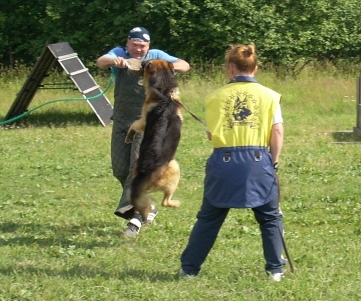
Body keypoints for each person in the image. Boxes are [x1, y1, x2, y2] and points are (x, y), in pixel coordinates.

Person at [179, 43, 286, 281]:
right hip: (259, 162)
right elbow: (277, 132)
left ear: (230, 68)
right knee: (270, 218)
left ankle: (189, 270)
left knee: (209, 218)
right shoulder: (270, 96)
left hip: (224, 162)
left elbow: (211, 134)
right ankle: (275, 270)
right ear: (255, 68)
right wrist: (274, 162)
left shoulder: (214, 98)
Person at [96, 27, 190, 237]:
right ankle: (147, 206)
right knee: (120, 170)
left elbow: (185, 65)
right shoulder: (119, 53)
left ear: (148, 46)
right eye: (135, 45)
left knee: (135, 169)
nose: (139, 49)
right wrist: (114, 62)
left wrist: (165, 66)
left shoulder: (156, 57)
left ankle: (135, 219)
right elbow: (101, 61)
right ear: (128, 43)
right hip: (121, 119)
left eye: (143, 46)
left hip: (148, 122)